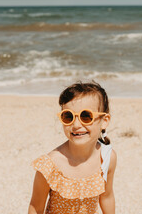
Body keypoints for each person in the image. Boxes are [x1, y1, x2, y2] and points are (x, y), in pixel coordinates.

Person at [28, 81, 117, 214]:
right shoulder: (50, 165)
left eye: (86, 116)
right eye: (68, 117)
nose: (76, 125)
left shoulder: (107, 157)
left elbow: (107, 196)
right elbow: (36, 206)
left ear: (104, 121)